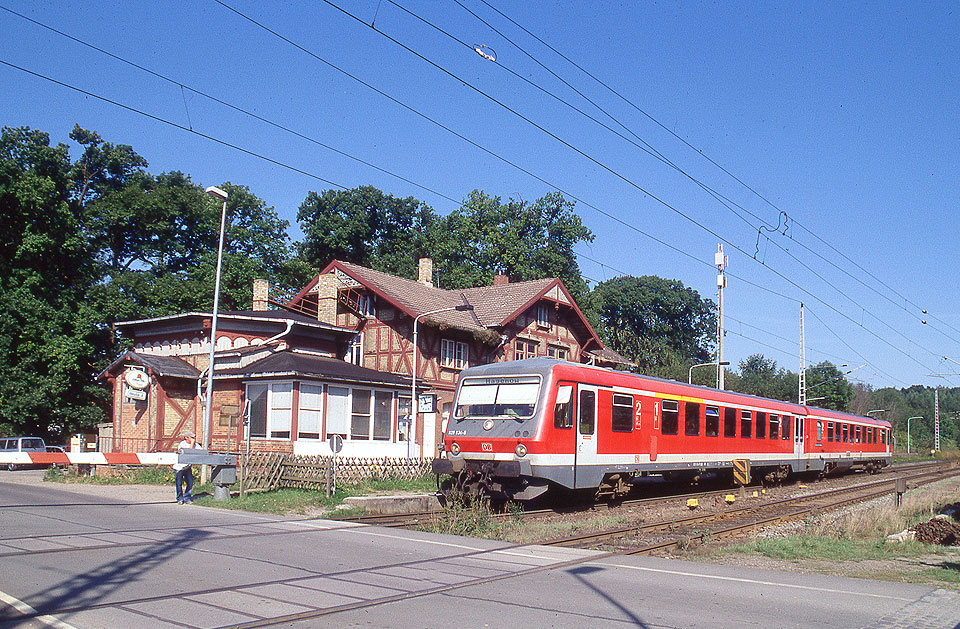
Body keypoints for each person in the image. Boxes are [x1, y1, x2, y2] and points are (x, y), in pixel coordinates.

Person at [173, 431, 201, 504]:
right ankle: (180, 498)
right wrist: (192, 444)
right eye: (191, 437)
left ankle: (187, 498)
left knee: (190, 482)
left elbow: (201, 452)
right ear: (186, 438)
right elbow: (188, 452)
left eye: (193, 437)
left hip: (187, 467)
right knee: (179, 483)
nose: (193, 439)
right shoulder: (182, 444)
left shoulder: (196, 445)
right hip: (179, 467)